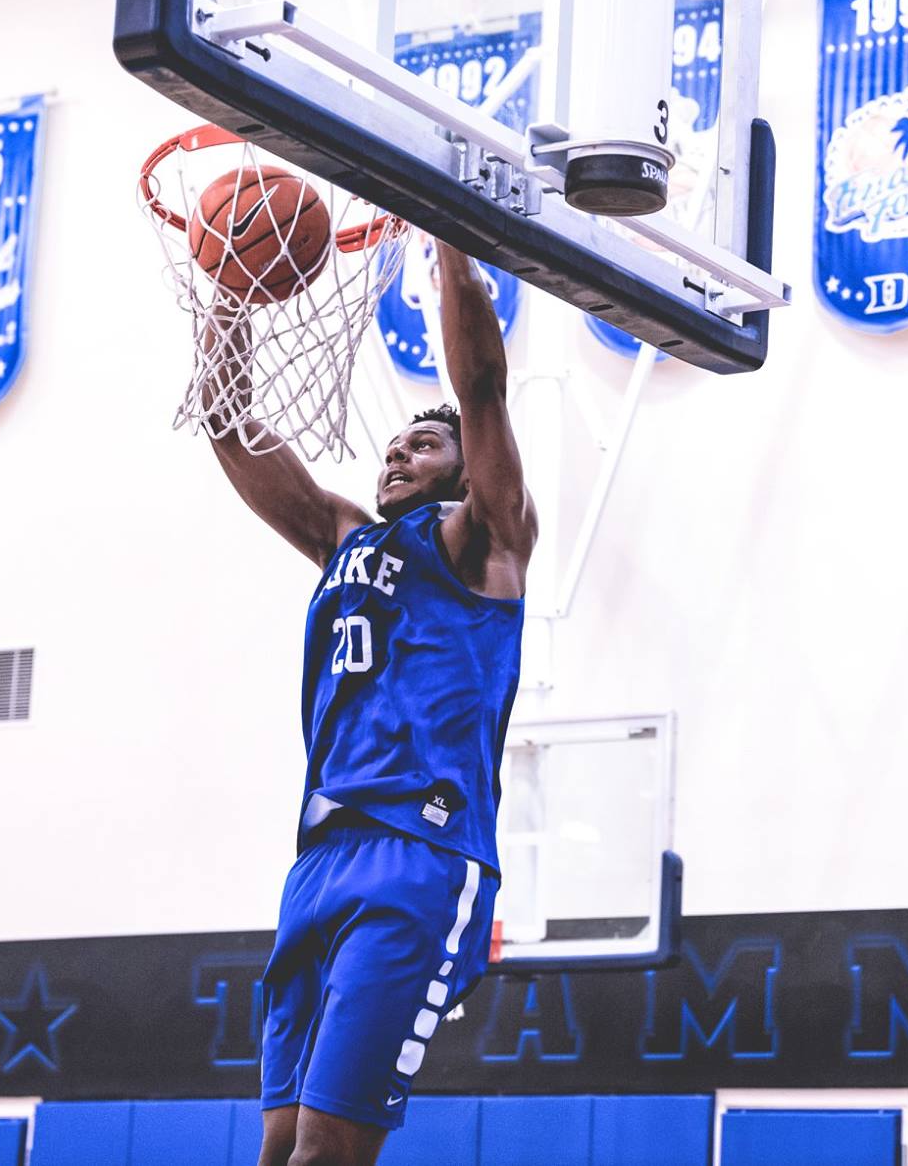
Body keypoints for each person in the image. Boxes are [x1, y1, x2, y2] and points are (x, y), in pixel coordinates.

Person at [202, 233, 538, 1166]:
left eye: (422, 444)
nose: (398, 452)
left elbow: (482, 391)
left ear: (467, 465)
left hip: (422, 851)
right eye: (393, 444)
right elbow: (232, 428)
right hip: (320, 855)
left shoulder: (485, 537)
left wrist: (453, 246)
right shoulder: (344, 536)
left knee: (327, 1154)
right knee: (277, 1151)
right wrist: (228, 299)